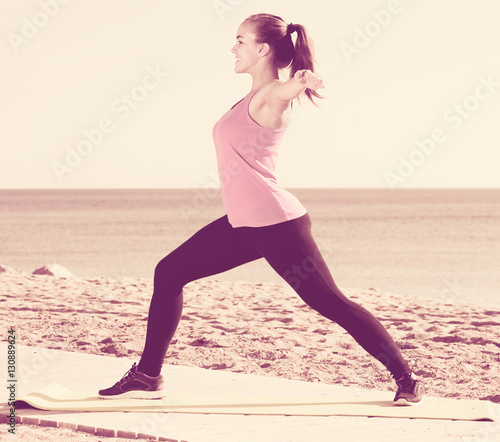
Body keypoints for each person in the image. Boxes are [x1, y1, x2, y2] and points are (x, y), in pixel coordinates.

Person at [98, 13, 424, 406]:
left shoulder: (271, 94)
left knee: (330, 303)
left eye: (240, 40)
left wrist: (301, 82)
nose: (232, 48)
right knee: (169, 272)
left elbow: (283, 92)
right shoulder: (249, 97)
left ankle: (406, 378)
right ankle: (148, 375)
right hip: (243, 224)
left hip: (276, 224)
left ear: (262, 48)